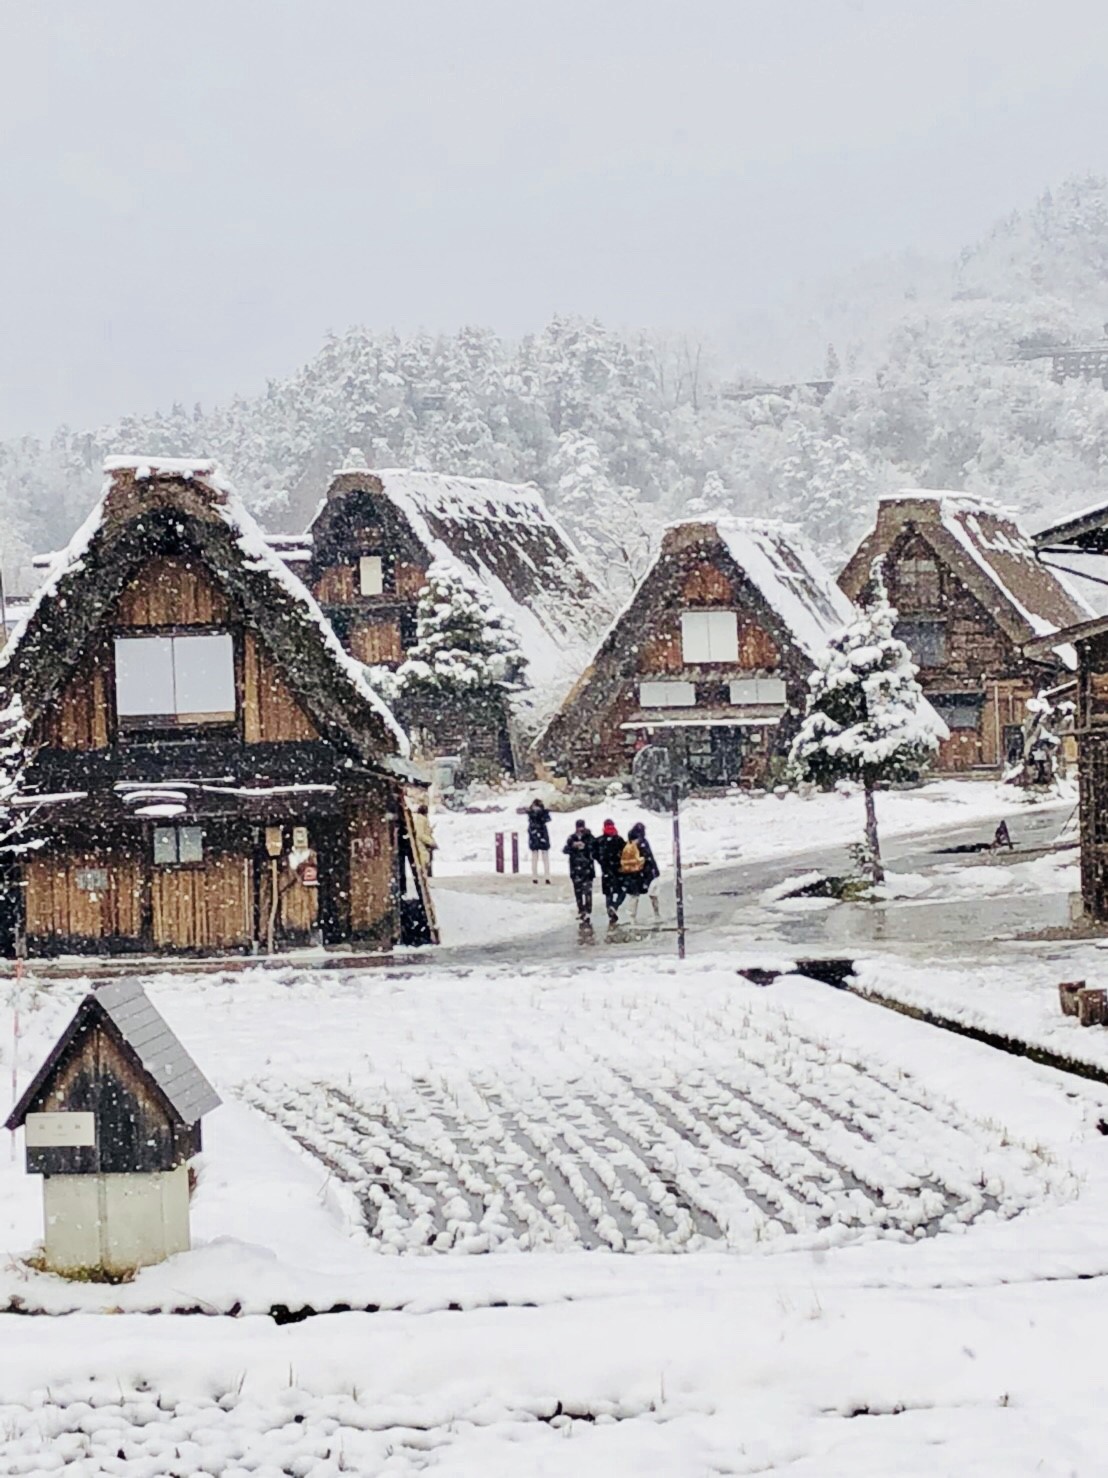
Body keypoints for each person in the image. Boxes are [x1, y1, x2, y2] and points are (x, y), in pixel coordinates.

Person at [621, 820, 661, 924]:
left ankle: (632, 918)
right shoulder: (639, 843)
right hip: (643, 872)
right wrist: (654, 870)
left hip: (635, 873)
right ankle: (656, 914)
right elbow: (648, 857)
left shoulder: (629, 843)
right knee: (652, 894)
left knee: (634, 896)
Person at [563, 820, 597, 922]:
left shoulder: (590, 838)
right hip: (575, 869)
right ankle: (581, 910)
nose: (580, 829)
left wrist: (585, 846)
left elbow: (594, 849)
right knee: (578, 892)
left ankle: (588, 911)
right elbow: (565, 850)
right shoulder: (571, 838)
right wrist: (573, 846)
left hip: (587, 869)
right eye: (578, 827)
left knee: (587, 891)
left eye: (581, 827)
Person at [594, 818, 627, 923]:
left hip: (606, 870)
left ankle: (610, 909)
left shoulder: (599, 840)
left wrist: (601, 862)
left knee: (608, 893)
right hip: (618, 870)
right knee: (622, 891)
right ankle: (615, 906)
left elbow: (594, 853)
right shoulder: (619, 839)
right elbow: (626, 852)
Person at [525, 797, 552, 884]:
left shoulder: (532, 814)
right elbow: (547, 819)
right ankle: (545, 876)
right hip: (541, 834)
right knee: (543, 857)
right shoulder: (540, 814)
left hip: (535, 834)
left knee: (535, 857)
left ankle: (536, 876)